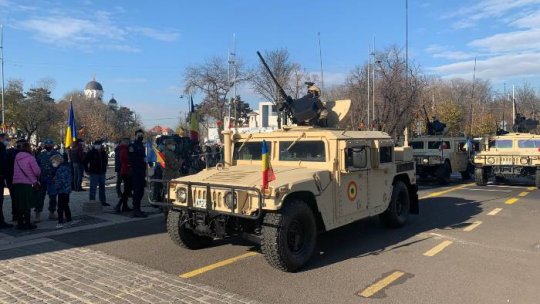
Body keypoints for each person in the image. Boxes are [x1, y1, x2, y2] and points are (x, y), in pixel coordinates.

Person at [12, 141, 40, 230]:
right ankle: (27, 223)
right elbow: (37, 171)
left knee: (20, 203)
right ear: (29, 148)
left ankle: (20, 223)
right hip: (27, 183)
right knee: (27, 204)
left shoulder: (16, 157)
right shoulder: (30, 158)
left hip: (16, 183)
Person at [36, 139, 60, 221]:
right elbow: (37, 166)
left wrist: (56, 176)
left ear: (52, 146)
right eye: (47, 145)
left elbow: (58, 167)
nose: (48, 146)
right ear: (44, 146)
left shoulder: (56, 154)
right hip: (42, 178)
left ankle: (52, 213)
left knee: (53, 196)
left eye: (50, 145)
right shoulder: (41, 155)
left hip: (52, 178)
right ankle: (37, 214)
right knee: (40, 197)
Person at [129, 129, 147, 217]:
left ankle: (139, 208)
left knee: (141, 191)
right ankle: (135, 210)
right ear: (135, 135)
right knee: (136, 191)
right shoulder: (132, 146)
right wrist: (142, 159)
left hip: (142, 171)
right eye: (139, 135)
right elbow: (131, 158)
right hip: (135, 171)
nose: (141, 137)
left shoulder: (142, 146)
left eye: (142, 135)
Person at [85, 140, 109, 206]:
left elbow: (105, 161)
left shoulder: (103, 152)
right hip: (94, 172)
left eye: (101, 145)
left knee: (102, 187)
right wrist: (87, 170)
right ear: (95, 145)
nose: (100, 146)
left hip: (102, 172)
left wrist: (105, 167)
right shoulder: (91, 152)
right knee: (93, 188)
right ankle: (92, 201)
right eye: (99, 144)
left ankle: (103, 201)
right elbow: (85, 161)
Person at [51, 154, 72, 228]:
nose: (53, 163)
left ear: (57, 161)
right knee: (66, 205)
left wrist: (56, 184)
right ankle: (69, 219)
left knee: (60, 207)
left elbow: (61, 181)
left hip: (62, 190)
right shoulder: (66, 167)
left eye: (53, 162)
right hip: (67, 189)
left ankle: (60, 221)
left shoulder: (60, 169)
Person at [115, 138, 133, 213]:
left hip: (125, 170)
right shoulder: (123, 150)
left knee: (127, 190)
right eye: (126, 142)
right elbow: (126, 159)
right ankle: (119, 205)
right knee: (127, 190)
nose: (127, 143)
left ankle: (124, 206)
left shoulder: (124, 149)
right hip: (125, 171)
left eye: (128, 142)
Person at [0, 133, 14, 229]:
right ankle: (1, 222)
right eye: (6, 139)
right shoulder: (1, 148)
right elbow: (3, 163)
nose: (8, 141)